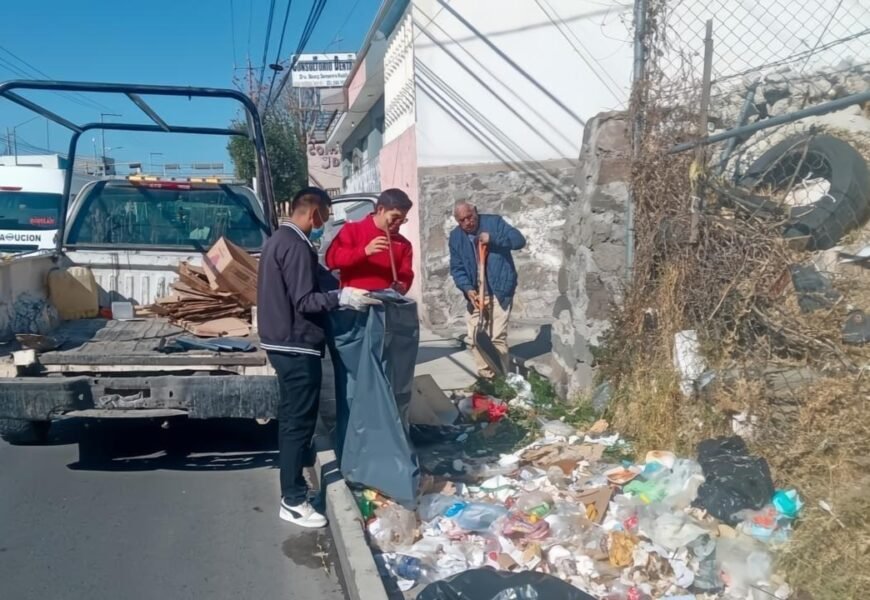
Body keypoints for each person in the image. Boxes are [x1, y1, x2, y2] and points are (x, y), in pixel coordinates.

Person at [257, 186, 378, 528]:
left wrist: (341, 285)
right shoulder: (295, 246)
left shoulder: (280, 240)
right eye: (326, 216)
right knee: (298, 423)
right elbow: (306, 300)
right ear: (313, 213)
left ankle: (293, 485)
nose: (326, 223)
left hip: (282, 340)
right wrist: (342, 298)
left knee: (294, 419)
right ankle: (293, 500)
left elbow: (313, 281)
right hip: (295, 343)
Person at [449, 201, 526, 379]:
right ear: (457, 222)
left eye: (470, 217)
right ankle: (486, 379)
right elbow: (457, 268)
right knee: (476, 337)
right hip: (476, 294)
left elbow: (519, 241)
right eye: (462, 220)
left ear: (476, 211)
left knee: (496, 337)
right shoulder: (455, 237)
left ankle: (500, 380)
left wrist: (493, 238)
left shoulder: (494, 223)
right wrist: (467, 289)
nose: (468, 222)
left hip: (500, 290)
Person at [324, 188, 414, 294]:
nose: (397, 223)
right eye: (394, 217)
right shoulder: (352, 230)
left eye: (402, 220)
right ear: (380, 209)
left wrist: (402, 285)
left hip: (386, 304)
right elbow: (331, 261)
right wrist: (364, 251)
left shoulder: (404, 244)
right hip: (354, 303)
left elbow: (406, 273)